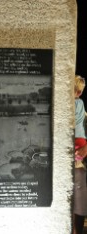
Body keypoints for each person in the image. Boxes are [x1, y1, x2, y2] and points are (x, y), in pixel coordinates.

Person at [73, 75, 87, 234]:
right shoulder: (80, 103)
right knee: (80, 189)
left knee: (79, 188)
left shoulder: (77, 104)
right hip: (80, 142)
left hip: (78, 143)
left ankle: (76, 229)